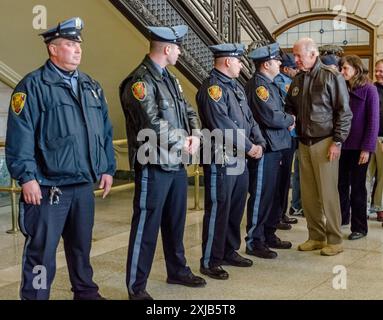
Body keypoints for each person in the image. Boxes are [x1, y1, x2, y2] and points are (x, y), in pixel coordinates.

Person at [5, 17, 116, 300]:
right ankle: (36, 297)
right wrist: (27, 177)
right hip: (47, 188)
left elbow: (104, 131)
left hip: (82, 186)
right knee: (42, 252)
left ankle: (86, 292)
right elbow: (21, 136)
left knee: (81, 247)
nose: (77, 49)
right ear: (53, 49)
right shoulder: (32, 86)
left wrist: (106, 168)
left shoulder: (91, 85)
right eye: (69, 44)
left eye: (78, 44)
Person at [120, 25, 206, 300]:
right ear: (167, 49)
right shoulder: (140, 81)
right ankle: (136, 286)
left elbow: (188, 108)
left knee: (175, 223)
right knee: (146, 227)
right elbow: (152, 124)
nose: (180, 51)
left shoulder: (170, 79)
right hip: (153, 165)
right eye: (177, 47)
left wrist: (194, 134)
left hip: (175, 163)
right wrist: (183, 142)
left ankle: (177, 270)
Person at [196, 43, 266, 280]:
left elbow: (250, 119)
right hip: (220, 157)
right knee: (219, 209)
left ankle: (228, 251)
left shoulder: (234, 87)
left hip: (240, 158)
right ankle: (210, 260)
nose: (241, 65)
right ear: (227, 61)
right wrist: (250, 147)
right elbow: (222, 125)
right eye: (238, 61)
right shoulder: (213, 89)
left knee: (235, 208)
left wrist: (259, 143)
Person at [285, 38, 352, 256]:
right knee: (308, 195)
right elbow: (289, 105)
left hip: (326, 143)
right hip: (303, 143)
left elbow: (344, 112)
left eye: (298, 56)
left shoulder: (332, 77)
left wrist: (338, 141)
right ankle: (316, 236)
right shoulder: (298, 79)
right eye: (294, 56)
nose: (295, 60)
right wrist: (290, 118)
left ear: (313, 54)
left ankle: (334, 239)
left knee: (328, 194)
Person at [245, 43, 295, 259]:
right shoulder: (259, 86)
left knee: (274, 194)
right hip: (266, 146)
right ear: (266, 64)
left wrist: (286, 120)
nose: (280, 63)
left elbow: (279, 110)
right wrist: (290, 120)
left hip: (278, 144)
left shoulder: (271, 84)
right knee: (261, 195)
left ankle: (268, 233)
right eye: (276, 61)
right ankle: (255, 241)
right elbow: (271, 116)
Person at [338, 55, 379, 239]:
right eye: (341, 68)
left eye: (345, 68)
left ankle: (360, 227)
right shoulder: (342, 87)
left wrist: (367, 148)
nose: (342, 71)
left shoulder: (369, 90)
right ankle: (342, 218)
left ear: (356, 68)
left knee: (358, 188)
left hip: (359, 148)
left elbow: (373, 121)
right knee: (340, 185)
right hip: (342, 145)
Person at [273, 52, 301, 228]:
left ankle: (281, 213)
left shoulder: (292, 82)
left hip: (293, 135)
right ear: (285, 68)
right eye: (294, 68)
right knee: (280, 179)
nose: (297, 70)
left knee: (285, 179)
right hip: (284, 136)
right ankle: (277, 215)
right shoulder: (281, 83)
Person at [367, 59, 383, 224]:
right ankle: (363, 208)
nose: (378, 74)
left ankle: (380, 208)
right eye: (377, 70)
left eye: (381, 71)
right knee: (366, 174)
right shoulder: (371, 89)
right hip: (370, 137)